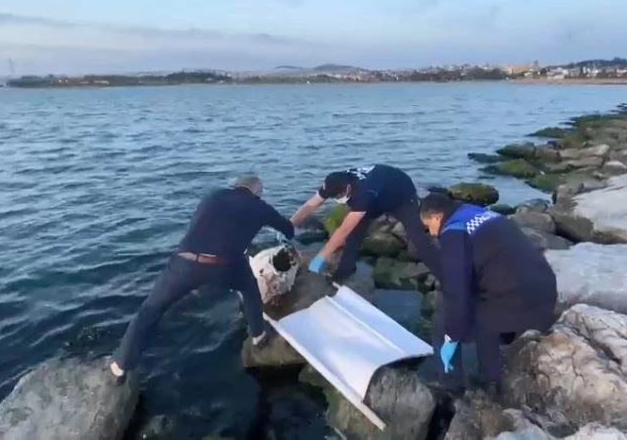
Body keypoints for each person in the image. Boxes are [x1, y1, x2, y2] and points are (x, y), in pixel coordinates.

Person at [109, 175, 295, 382]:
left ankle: (120, 365)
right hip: (225, 266)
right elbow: (288, 229)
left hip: (185, 263)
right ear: (257, 192)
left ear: (235, 186)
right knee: (250, 289)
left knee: (150, 309)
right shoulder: (260, 206)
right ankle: (258, 336)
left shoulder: (212, 196)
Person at [418, 192, 557, 398]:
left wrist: (451, 336)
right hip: (545, 292)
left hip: (515, 299)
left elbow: (457, 291)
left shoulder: (453, 232)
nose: (431, 233)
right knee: (485, 314)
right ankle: (490, 377)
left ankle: (451, 384)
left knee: (444, 324)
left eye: (428, 226)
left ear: (437, 216)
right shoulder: (481, 213)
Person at [290, 164, 441, 281]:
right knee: (355, 233)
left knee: (417, 237)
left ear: (348, 188)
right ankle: (346, 269)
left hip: (402, 195)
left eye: (341, 195)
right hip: (377, 196)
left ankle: (441, 271)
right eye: (336, 197)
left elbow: (343, 230)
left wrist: (321, 257)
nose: (339, 198)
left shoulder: (363, 192)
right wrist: (288, 225)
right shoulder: (333, 183)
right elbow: (310, 205)